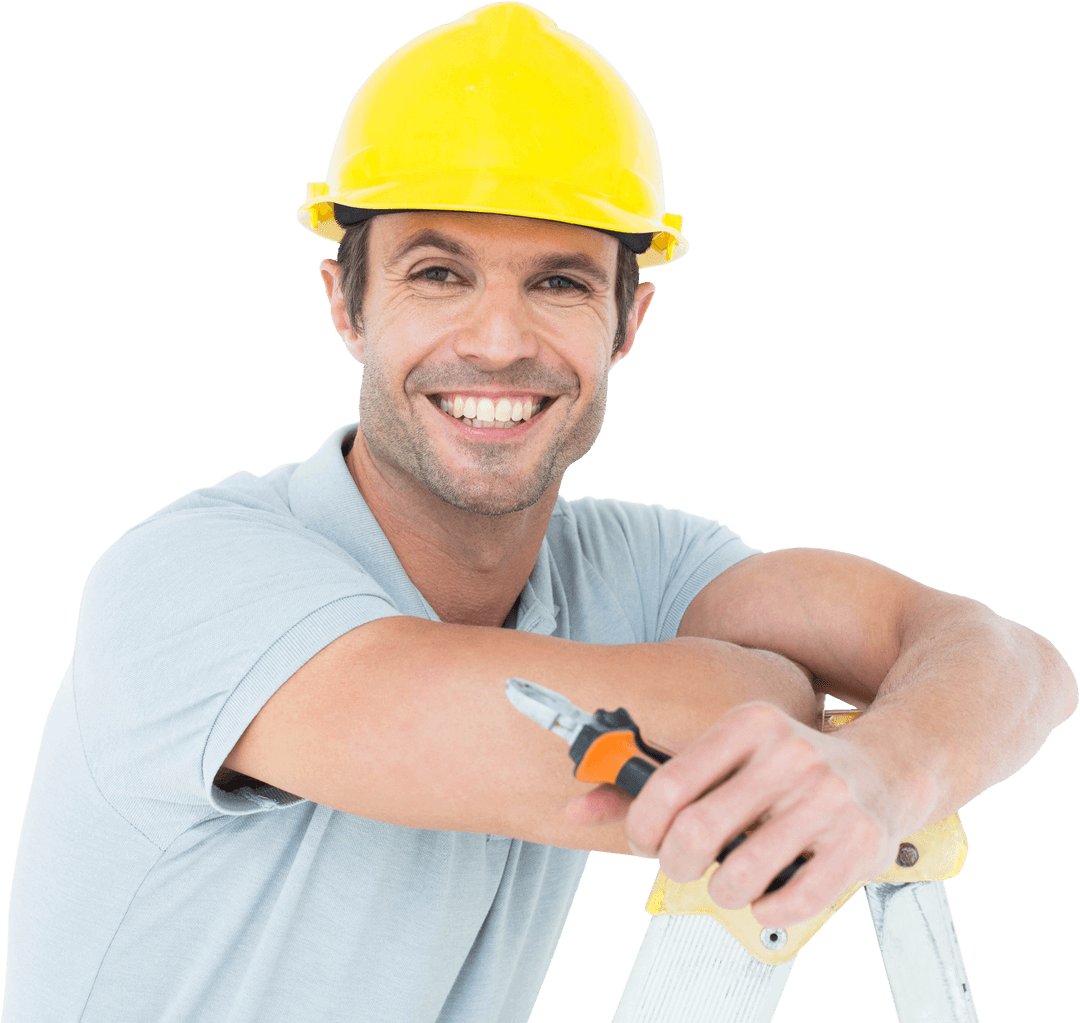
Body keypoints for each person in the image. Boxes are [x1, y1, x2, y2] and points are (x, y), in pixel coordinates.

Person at [4, 4, 1075, 1022]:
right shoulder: (190, 581)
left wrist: (880, 775)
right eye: (438, 273)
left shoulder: (643, 565)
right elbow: (506, 741)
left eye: (560, 284)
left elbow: (1015, 662)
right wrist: (777, 690)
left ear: (627, 321)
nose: (501, 341)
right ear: (346, 303)